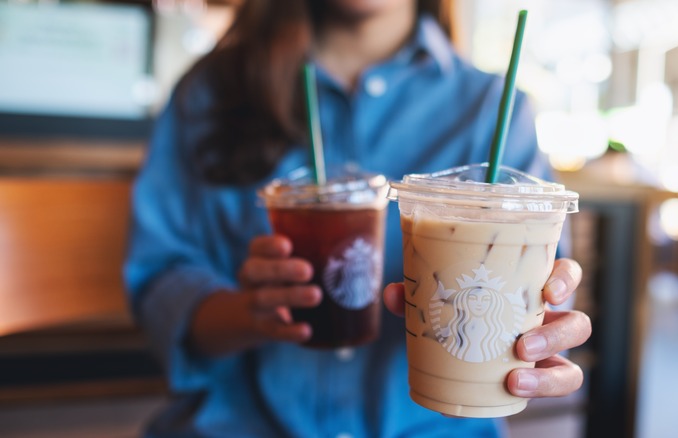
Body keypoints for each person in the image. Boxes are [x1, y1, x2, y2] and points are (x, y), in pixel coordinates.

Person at [124, 0, 592, 436]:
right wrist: (247, 313)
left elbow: (540, 306)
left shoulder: (494, 108)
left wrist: (543, 332)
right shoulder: (211, 93)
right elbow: (159, 278)